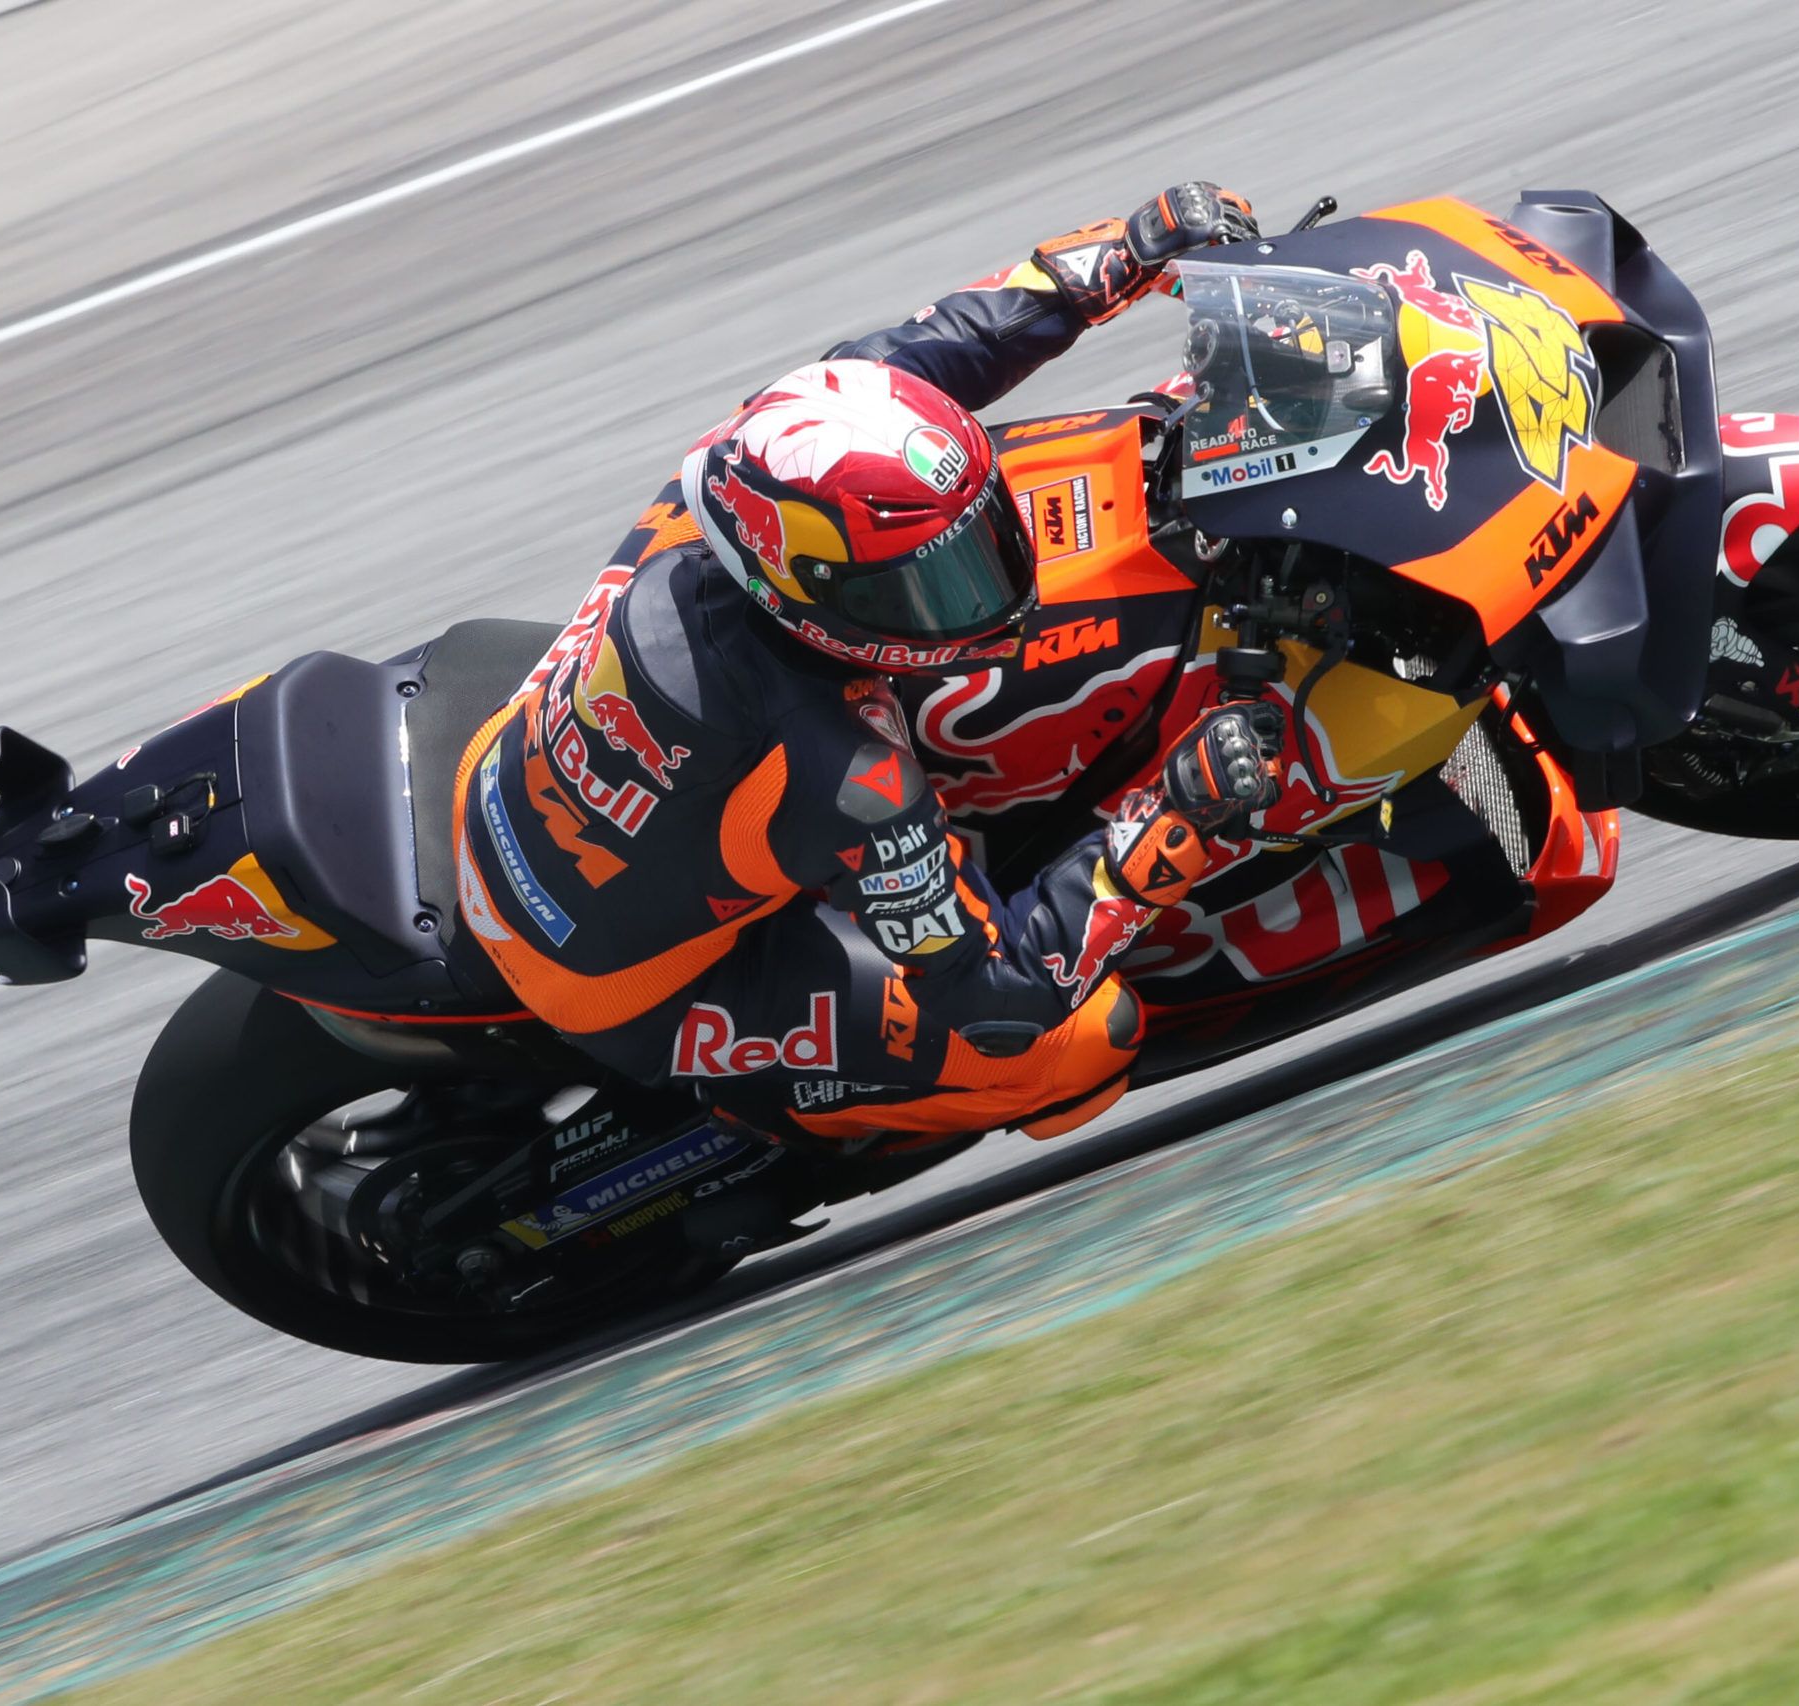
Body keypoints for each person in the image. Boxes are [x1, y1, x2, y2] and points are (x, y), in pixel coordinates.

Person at [454, 183, 1277, 1146]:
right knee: (1076, 1043)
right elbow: (999, 991)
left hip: (505, 777)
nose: (982, 598)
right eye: (922, 588)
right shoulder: (849, 777)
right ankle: (767, 1126)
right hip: (606, 977)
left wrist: (1127, 252)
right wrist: (1171, 822)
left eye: (975, 551)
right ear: (806, 591)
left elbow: (949, 343)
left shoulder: (758, 458)